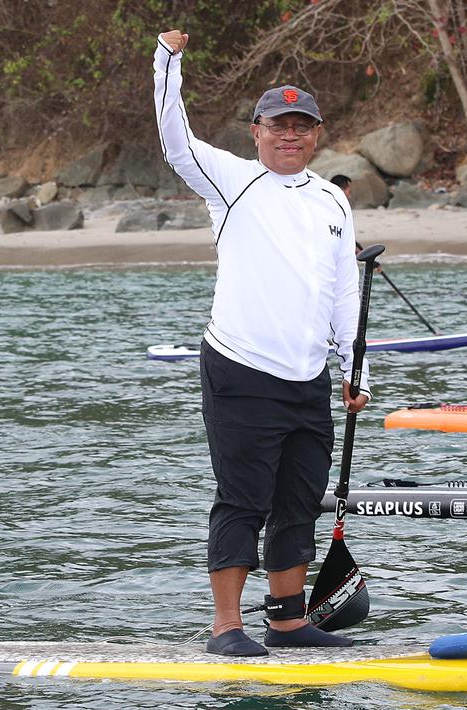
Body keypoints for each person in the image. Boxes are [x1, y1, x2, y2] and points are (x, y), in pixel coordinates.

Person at [154, 29, 370, 657]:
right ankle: (226, 625)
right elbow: (174, 140)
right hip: (241, 368)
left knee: (299, 499)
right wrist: (168, 61)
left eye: (301, 127)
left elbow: (344, 291)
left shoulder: (332, 200)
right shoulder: (230, 179)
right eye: (278, 126)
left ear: (316, 135)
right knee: (243, 499)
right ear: (257, 131)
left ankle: (287, 620)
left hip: (309, 378)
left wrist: (356, 368)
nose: (289, 136)